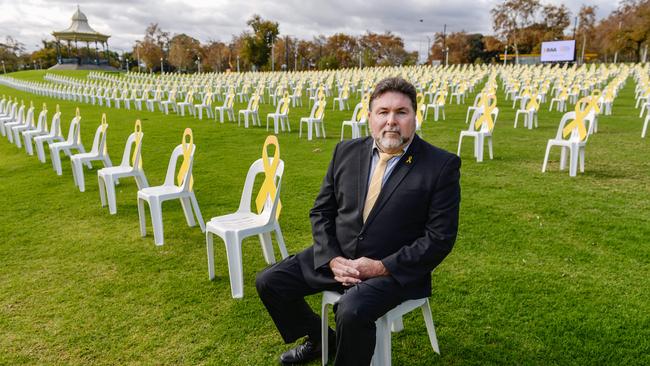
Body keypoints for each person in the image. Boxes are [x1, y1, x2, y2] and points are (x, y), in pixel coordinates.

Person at [256, 76, 461, 365]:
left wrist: (380, 267)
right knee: (270, 281)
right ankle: (320, 340)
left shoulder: (441, 165)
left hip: (392, 270)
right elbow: (321, 211)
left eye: (401, 112)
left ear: (415, 116)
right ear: (369, 117)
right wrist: (332, 258)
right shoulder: (346, 151)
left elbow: (439, 238)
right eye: (383, 112)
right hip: (340, 258)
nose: (391, 121)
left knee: (350, 310)